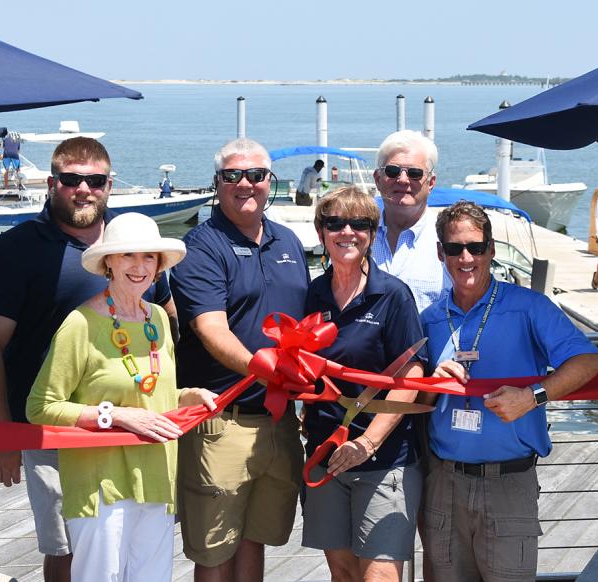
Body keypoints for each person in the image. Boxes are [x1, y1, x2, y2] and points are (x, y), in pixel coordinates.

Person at [0, 137, 177, 582]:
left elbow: (163, 323)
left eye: (96, 180)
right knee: (67, 550)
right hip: (52, 430)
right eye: (71, 179)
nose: (84, 189)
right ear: (51, 183)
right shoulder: (12, 250)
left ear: (109, 186)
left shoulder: (134, 243)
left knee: (138, 556)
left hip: (138, 434)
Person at [419, 200, 598, 582]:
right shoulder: (430, 319)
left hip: (509, 484)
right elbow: (416, 402)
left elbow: (590, 361)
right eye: (455, 248)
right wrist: (431, 385)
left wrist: (532, 397)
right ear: (441, 253)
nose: (466, 258)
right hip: (444, 483)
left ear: (491, 250)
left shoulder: (528, 307)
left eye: (475, 247)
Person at [26, 212, 217, 582]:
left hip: (157, 478)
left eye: (149, 257)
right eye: (128, 255)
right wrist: (114, 416)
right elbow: (41, 407)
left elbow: (151, 394)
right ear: (108, 262)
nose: (139, 266)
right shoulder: (80, 324)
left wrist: (186, 396)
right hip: (101, 485)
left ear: (159, 266)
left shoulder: (158, 318)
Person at [169, 137, 310, 582]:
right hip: (221, 421)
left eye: (256, 174)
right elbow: (211, 330)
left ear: (271, 181)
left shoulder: (289, 241)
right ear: (217, 182)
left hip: (280, 421)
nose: (245, 183)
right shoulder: (200, 246)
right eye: (233, 175)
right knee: (214, 552)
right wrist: (266, 370)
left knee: (255, 539)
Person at [301, 186, 428, 582]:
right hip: (326, 453)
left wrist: (367, 443)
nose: (347, 232)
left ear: (372, 234)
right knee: (342, 572)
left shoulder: (392, 295)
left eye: (359, 223)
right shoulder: (314, 294)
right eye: (335, 223)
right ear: (321, 232)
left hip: (383, 459)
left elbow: (412, 374)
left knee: (379, 576)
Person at [371, 130, 451, 313]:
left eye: (414, 173)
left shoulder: (448, 241)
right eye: (392, 171)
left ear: (431, 183)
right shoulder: (356, 236)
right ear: (377, 179)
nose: (402, 180)